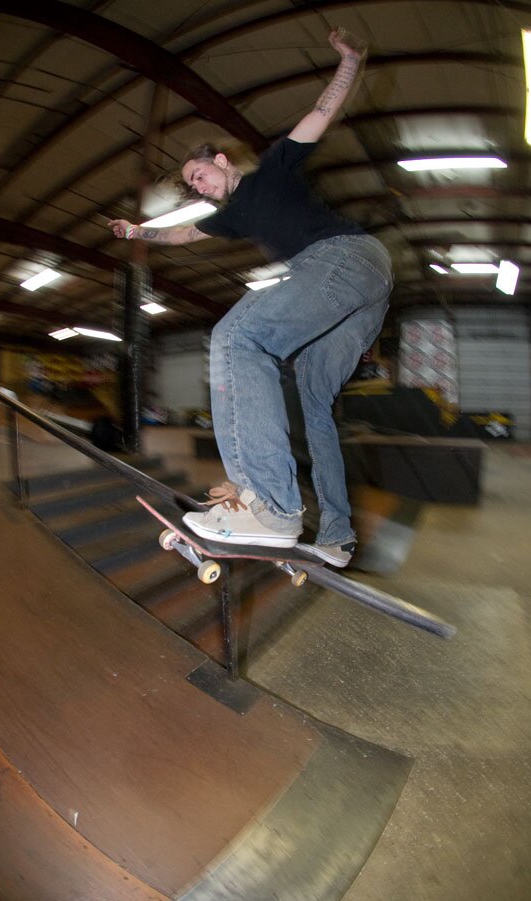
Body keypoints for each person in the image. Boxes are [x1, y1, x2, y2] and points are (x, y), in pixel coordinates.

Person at [109, 27, 392, 568]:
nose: (201, 188)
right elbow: (184, 234)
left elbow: (320, 112)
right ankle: (337, 535)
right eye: (194, 186)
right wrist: (139, 232)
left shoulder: (275, 166)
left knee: (238, 335)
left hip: (345, 258)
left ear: (220, 160)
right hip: (362, 297)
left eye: (201, 175)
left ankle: (269, 506)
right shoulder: (231, 217)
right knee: (315, 406)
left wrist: (351, 62)